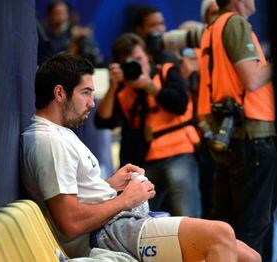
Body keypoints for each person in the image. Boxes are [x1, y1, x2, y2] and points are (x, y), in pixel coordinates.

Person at [20, 53, 261, 261]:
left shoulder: (58, 134)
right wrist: (125, 200)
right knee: (220, 234)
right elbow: (70, 223)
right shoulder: (49, 141)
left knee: (250, 256)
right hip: (108, 234)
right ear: (60, 93)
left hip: (117, 226)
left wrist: (110, 185)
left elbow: (75, 195)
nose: (92, 102)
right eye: (86, 92)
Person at [196, 0, 277, 257]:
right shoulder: (236, 22)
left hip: (229, 136)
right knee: (253, 228)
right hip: (251, 136)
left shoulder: (212, 27)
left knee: (227, 227)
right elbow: (252, 79)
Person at [95, 33, 202, 218]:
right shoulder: (122, 88)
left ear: (148, 56)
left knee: (186, 216)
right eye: (129, 62)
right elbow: (104, 121)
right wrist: (113, 86)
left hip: (177, 153)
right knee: (144, 218)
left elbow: (179, 104)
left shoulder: (166, 71)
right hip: (143, 161)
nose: (136, 65)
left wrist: (149, 85)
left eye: (139, 59)